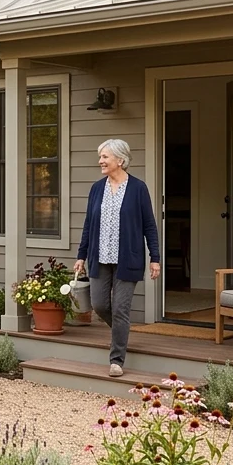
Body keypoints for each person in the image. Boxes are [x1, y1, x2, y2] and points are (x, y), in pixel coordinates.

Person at [73, 138, 161, 377]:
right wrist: (81, 255)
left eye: (105, 157)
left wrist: (155, 257)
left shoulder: (138, 188)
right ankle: (121, 332)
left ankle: (116, 360)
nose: (100, 161)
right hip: (99, 258)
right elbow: (89, 224)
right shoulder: (96, 188)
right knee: (100, 305)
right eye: (100, 156)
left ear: (120, 160)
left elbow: (149, 226)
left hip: (128, 259)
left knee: (121, 309)